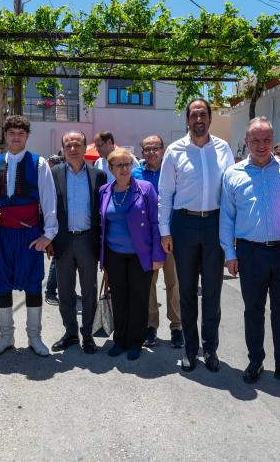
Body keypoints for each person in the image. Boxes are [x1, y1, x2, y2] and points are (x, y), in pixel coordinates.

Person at [220, 116, 280, 389]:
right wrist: (229, 253)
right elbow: (227, 217)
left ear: (274, 140)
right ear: (246, 141)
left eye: (267, 140)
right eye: (255, 140)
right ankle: (255, 361)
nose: (261, 145)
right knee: (253, 310)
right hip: (249, 252)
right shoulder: (232, 174)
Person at [158, 98, 234, 372]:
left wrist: (231, 232)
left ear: (210, 118)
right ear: (187, 120)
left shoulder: (223, 148)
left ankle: (210, 348)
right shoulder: (174, 151)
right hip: (184, 225)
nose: (199, 120)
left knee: (212, 292)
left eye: (203, 114)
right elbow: (165, 193)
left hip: (214, 224)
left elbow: (230, 192)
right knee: (187, 291)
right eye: (194, 115)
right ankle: (190, 349)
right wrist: (165, 231)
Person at [0, 115, 57, 357]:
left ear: (27, 136)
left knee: (33, 284)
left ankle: (34, 337)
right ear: (5, 135)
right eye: (11, 133)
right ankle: (6, 337)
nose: (16, 137)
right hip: (0, 235)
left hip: (29, 234)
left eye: (21, 133)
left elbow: (49, 201)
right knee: (1, 285)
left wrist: (48, 235)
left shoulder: (39, 163)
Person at [100, 148, 164, 360]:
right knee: (119, 298)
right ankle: (120, 340)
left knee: (139, 299)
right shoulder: (104, 191)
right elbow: (101, 225)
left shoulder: (145, 189)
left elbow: (155, 222)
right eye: (119, 165)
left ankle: (136, 342)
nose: (125, 169)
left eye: (128, 164)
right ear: (111, 168)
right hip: (114, 255)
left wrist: (158, 255)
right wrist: (102, 257)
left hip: (141, 254)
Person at [50, 131, 107, 354]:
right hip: (62, 239)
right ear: (63, 149)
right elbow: (45, 206)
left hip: (87, 239)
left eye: (77, 145)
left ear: (85, 147)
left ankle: (88, 334)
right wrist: (48, 238)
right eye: (68, 145)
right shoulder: (54, 173)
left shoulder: (98, 175)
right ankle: (71, 333)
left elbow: (102, 210)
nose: (72, 149)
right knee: (65, 291)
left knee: (89, 290)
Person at [132, 135, 183, 348]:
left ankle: (177, 326)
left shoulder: (173, 171)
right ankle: (150, 325)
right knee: (148, 284)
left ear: (163, 150)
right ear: (142, 152)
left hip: (171, 235)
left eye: (156, 148)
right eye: (147, 149)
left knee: (174, 283)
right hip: (147, 239)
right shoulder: (135, 174)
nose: (152, 152)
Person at [44, 154, 65, 306]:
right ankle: (50, 291)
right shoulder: (52, 177)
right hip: (57, 226)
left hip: (64, 226)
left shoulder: (59, 175)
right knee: (56, 261)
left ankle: (65, 291)